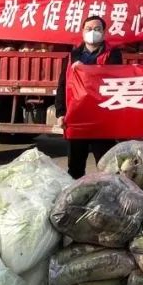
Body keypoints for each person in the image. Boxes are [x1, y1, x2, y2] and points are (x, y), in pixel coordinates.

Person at [55, 16, 122, 179]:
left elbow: (113, 77)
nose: (93, 32)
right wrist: (60, 112)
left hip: (102, 116)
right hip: (77, 116)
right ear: (83, 31)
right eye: (89, 29)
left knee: (106, 165)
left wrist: (86, 70)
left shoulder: (113, 54)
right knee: (75, 167)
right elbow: (63, 84)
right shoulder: (73, 55)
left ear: (104, 33)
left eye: (97, 29)